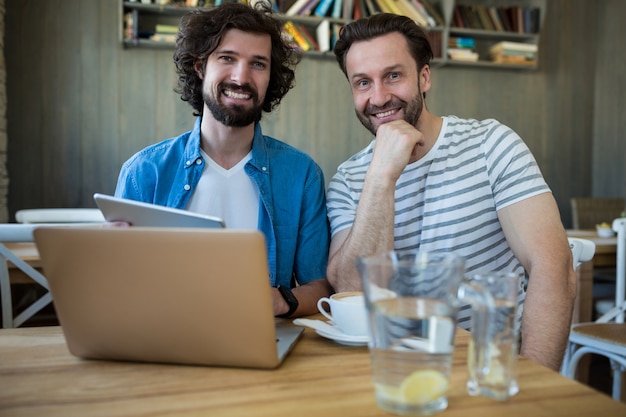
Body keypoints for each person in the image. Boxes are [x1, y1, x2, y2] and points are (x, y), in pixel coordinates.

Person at [327, 13, 576, 371]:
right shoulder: (350, 179)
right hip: (391, 370)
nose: (378, 97)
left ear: (424, 76)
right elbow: (353, 292)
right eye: (362, 83)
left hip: (487, 368)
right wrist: (382, 176)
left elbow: (553, 267)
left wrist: (533, 384)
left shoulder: (492, 145)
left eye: (393, 75)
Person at [114, 2, 332, 318]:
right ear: (201, 66)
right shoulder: (143, 172)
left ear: (271, 77)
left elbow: (322, 288)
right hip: (163, 337)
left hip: (262, 339)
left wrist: (280, 301)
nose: (241, 77)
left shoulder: (302, 174)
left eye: (258, 64)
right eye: (227, 58)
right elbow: (119, 289)